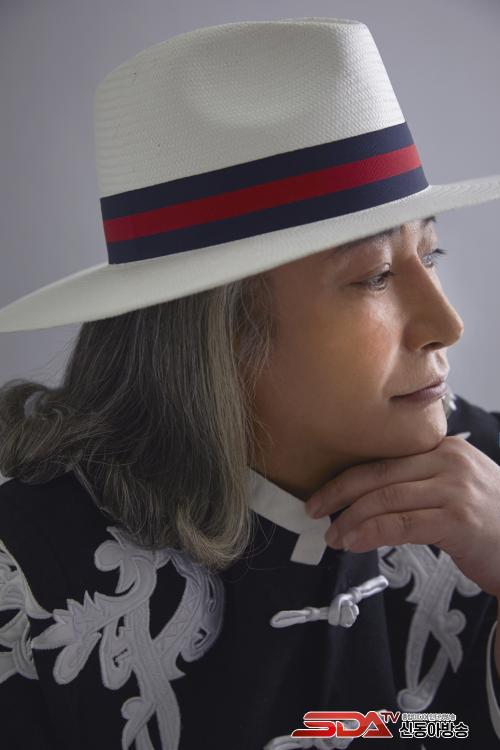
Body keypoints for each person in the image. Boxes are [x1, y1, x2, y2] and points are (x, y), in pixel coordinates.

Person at [1, 17, 500, 750]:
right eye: (375, 276)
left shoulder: (491, 479)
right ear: (222, 331)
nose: (446, 324)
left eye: (431, 253)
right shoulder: (30, 578)